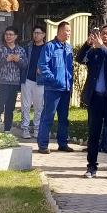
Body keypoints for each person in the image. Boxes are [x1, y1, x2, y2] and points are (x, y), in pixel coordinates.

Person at [79, 24, 107, 179]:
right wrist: (87, 44)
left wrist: (102, 48)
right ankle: (91, 167)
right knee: (93, 134)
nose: (104, 36)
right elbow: (80, 59)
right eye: (103, 33)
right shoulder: (95, 51)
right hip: (96, 99)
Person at [36, 21, 75, 155]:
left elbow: (70, 68)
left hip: (66, 89)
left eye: (70, 31)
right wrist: (54, 80)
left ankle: (63, 143)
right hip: (52, 89)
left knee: (64, 118)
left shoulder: (68, 48)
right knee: (48, 117)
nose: (69, 33)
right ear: (59, 31)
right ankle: (42, 145)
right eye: (67, 30)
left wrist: (69, 83)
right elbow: (42, 65)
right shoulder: (50, 46)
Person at [0, 27, 27, 133]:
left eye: (11, 34)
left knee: (10, 107)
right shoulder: (0, 49)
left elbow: (25, 65)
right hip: (2, 82)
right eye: (6, 34)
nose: (8, 36)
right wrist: (6, 59)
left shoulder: (20, 50)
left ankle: (7, 130)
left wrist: (18, 60)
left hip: (14, 83)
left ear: (16, 36)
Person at [19, 26, 46, 139]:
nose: (36, 35)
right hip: (27, 79)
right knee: (25, 106)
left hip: (40, 81)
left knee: (39, 106)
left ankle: (37, 129)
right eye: (35, 32)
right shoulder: (28, 47)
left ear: (43, 35)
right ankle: (25, 129)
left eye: (38, 33)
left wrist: (43, 70)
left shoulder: (47, 48)